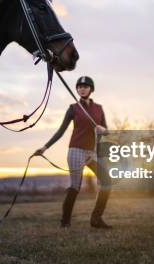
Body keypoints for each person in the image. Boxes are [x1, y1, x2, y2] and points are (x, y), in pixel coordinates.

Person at [34, 75, 112, 229]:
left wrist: (102, 130)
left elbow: (107, 131)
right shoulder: (73, 108)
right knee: (75, 186)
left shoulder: (99, 109)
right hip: (76, 150)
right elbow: (61, 131)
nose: (82, 89)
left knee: (107, 182)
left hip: (92, 152)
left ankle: (96, 219)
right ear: (77, 89)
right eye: (80, 87)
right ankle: (65, 222)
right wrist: (44, 147)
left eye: (85, 86)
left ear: (91, 89)